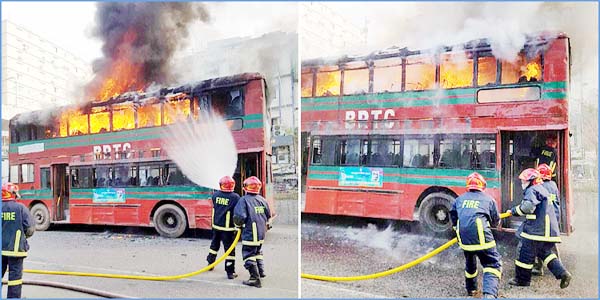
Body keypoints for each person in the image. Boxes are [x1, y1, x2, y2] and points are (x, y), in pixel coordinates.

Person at [507, 168, 571, 289]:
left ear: (531, 181)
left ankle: (522, 280)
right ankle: (563, 273)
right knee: (545, 253)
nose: (522, 183)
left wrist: (514, 211)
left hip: (536, 230)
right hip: (548, 230)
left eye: (524, 181)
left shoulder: (532, 190)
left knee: (524, 252)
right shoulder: (542, 189)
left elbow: (527, 207)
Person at [450, 172, 502, 299]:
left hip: (465, 241)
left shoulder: (459, 199)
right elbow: (495, 221)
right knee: (492, 264)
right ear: (482, 186)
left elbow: (453, 218)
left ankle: (471, 290)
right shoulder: (489, 200)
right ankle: (489, 294)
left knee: (470, 262)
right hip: (483, 240)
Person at [233, 176, 272, 288]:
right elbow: (268, 215)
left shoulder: (243, 200)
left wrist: (237, 227)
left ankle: (254, 278)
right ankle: (261, 271)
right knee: (257, 252)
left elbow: (239, 217)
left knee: (248, 254)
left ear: (245, 187)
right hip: (261, 233)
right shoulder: (262, 199)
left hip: (251, 233)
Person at [2, 183, 35, 299]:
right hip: (15, 251)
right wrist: (21, 236)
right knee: (15, 280)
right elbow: (30, 229)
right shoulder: (21, 208)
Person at [531, 163, 562, 276]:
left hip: (544, 220)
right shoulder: (553, 185)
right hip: (554, 218)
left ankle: (541, 267)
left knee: (539, 242)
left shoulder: (540, 187)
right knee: (550, 243)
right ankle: (557, 265)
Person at [206, 176, 240, 279]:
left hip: (216, 226)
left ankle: (210, 264)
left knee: (214, 246)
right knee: (229, 250)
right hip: (228, 229)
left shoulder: (215, 195)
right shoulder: (235, 197)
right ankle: (230, 272)